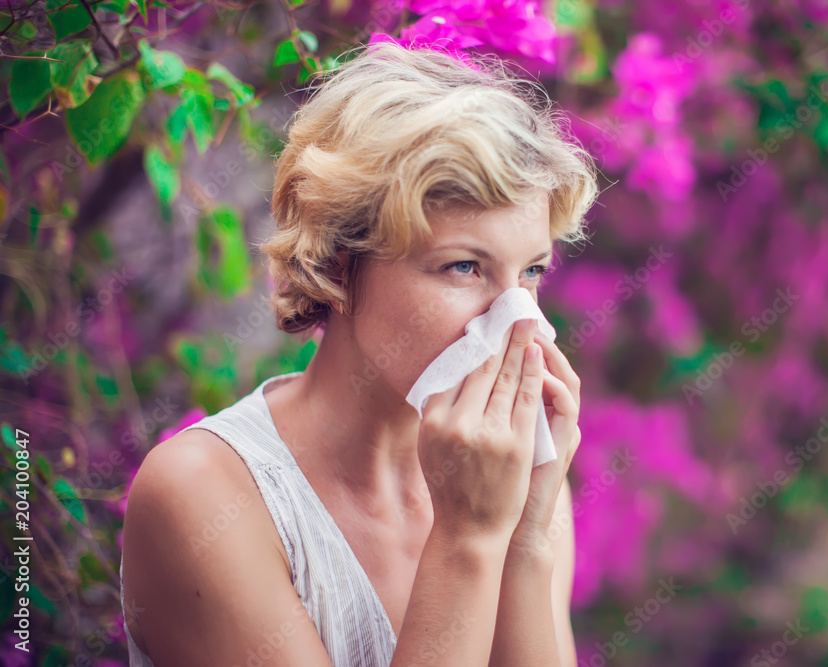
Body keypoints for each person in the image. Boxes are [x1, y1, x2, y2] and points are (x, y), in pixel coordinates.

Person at [119, 38, 599, 666]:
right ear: (338, 266)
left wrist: (527, 540)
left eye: (531, 271)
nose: (518, 321)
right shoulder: (203, 494)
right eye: (463, 267)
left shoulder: (509, 476)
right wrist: (468, 538)